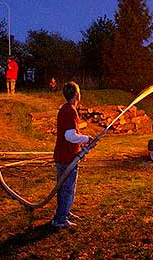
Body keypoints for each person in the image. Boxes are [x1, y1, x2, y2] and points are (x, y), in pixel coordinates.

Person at [51, 82, 93, 228]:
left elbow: (70, 135)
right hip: (67, 157)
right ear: (76, 94)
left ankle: (65, 212)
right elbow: (70, 135)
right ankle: (60, 219)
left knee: (65, 187)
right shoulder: (70, 111)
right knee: (67, 188)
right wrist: (87, 139)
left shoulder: (66, 109)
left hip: (64, 155)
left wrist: (81, 143)